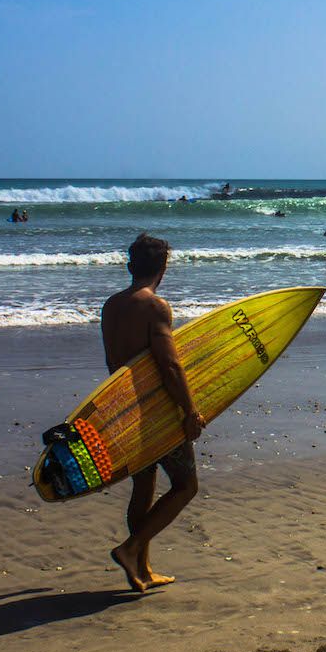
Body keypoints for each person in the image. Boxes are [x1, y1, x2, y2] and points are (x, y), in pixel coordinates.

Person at [102, 234, 204, 593]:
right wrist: (189, 410)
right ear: (164, 268)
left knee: (143, 486)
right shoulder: (156, 307)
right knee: (185, 485)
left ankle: (141, 569)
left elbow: (114, 363)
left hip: (124, 408)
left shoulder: (111, 306)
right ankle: (131, 550)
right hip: (156, 412)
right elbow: (170, 365)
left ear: (130, 266)